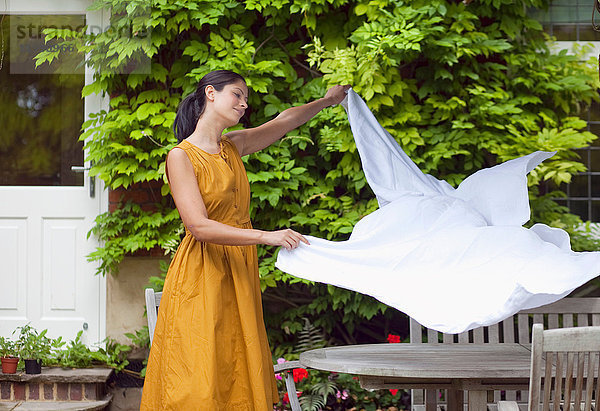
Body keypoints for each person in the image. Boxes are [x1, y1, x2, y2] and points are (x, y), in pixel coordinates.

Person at [140, 69, 350, 410]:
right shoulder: (181, 156)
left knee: (237, 358)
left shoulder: (233, 145)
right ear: (210, 93)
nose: (244, 103)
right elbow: (199, 226)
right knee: (202, 367)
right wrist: (266, 236)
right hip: (202, 271)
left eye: (246, 97)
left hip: (238, 268)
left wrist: (328, 101)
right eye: (237, 94)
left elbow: (284, 122)